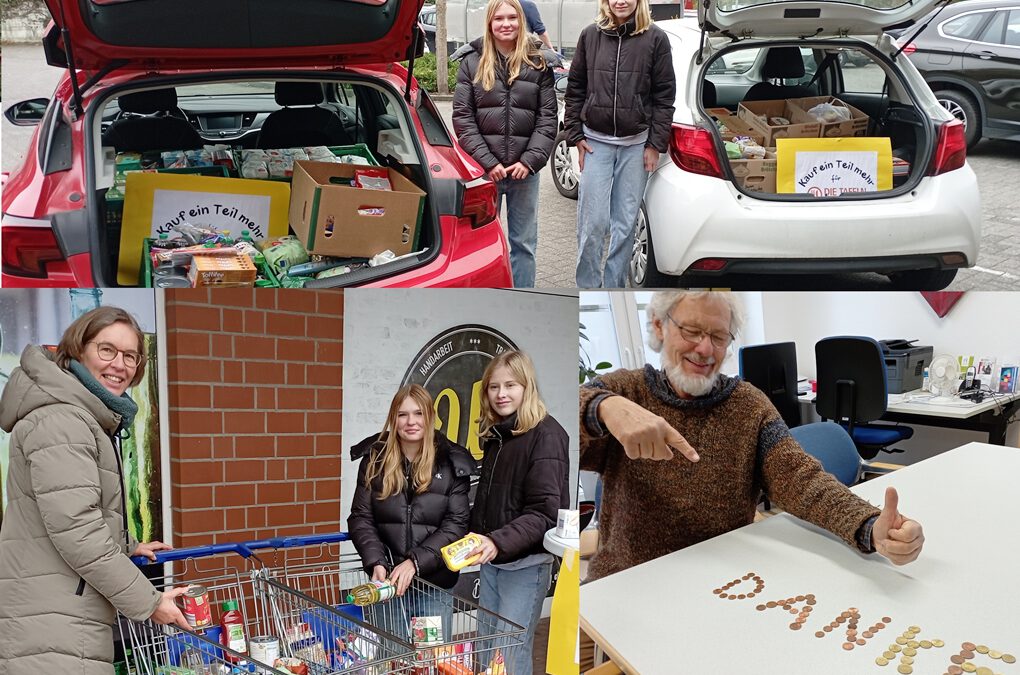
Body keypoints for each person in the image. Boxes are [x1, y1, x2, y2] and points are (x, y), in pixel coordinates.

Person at [579, 291, 926, 581]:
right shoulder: (623, 390)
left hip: (726, 580)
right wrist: (602, 407)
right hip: (633, 583)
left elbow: (803, 482)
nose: (704, 349)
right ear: (659, 325)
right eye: (691, 330)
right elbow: (560, 433)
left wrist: (868, 525)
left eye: (718, 336)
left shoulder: (748, 406)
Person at [0, 306, 191, 675]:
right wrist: (150, 602)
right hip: (53, 623)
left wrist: (124, 542)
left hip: (60, 609)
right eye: (107, 350)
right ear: (78, 350)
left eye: (131, 356)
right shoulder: (63, 419)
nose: (119, 364)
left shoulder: (83, 414)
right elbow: (78, 533)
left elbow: (71, 510)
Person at [467, 350, 570, 675]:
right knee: (486, 650)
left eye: (510, 385)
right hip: (493, 562)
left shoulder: (546, 435)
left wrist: (497, 541)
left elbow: (544, 512)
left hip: (525, 567)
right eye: (493, 387)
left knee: (511, 655)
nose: (501, 394)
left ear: (527, 387)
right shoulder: (500, 435)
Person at [347, 383, 474, 643]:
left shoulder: (452, 461)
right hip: (387, 585)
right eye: (403, 414)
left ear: (430, 417)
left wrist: (415, 562)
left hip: (434, 585)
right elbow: (361, 517)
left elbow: (456, 524)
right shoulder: (375, 459)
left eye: (418, 413)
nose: (411, 421)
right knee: (391, 660)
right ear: (393, 418)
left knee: (429, 663)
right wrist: (376, 562)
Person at [564, 0, 676, 288]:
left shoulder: (655, 38)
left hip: (636, 146)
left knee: (625, 225)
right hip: (596, 145)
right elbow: (575, 88)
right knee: (593, 224)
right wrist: (575, 135)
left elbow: (664, 96)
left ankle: (614, 287)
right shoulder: (590, 35)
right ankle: (588, 287)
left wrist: (654, 144)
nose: (620, 1)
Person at [453, 0, 558, 288]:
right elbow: (463, 119)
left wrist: (529, 161)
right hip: (485, 174)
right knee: (482, 246)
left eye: (512, 17)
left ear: (521, 21)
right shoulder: (471, 62)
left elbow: (548, 119)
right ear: (489, 22)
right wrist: (489, 162)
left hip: (525, 173)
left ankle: (523, 297)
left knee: (523, 245)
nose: (506, 23)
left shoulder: (539, 63)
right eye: (499, 18)